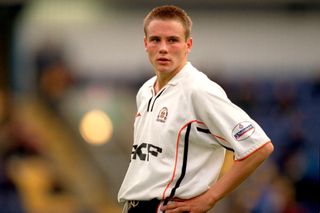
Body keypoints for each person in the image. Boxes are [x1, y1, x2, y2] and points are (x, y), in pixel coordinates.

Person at [118, 5, 274, 213]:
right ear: (146, 44)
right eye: (156, 39)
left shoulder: (199, 90)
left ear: (188, 45)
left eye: (172, 40)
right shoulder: (145, 90)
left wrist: (210, 198)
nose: (163, 47)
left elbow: (259, 147)